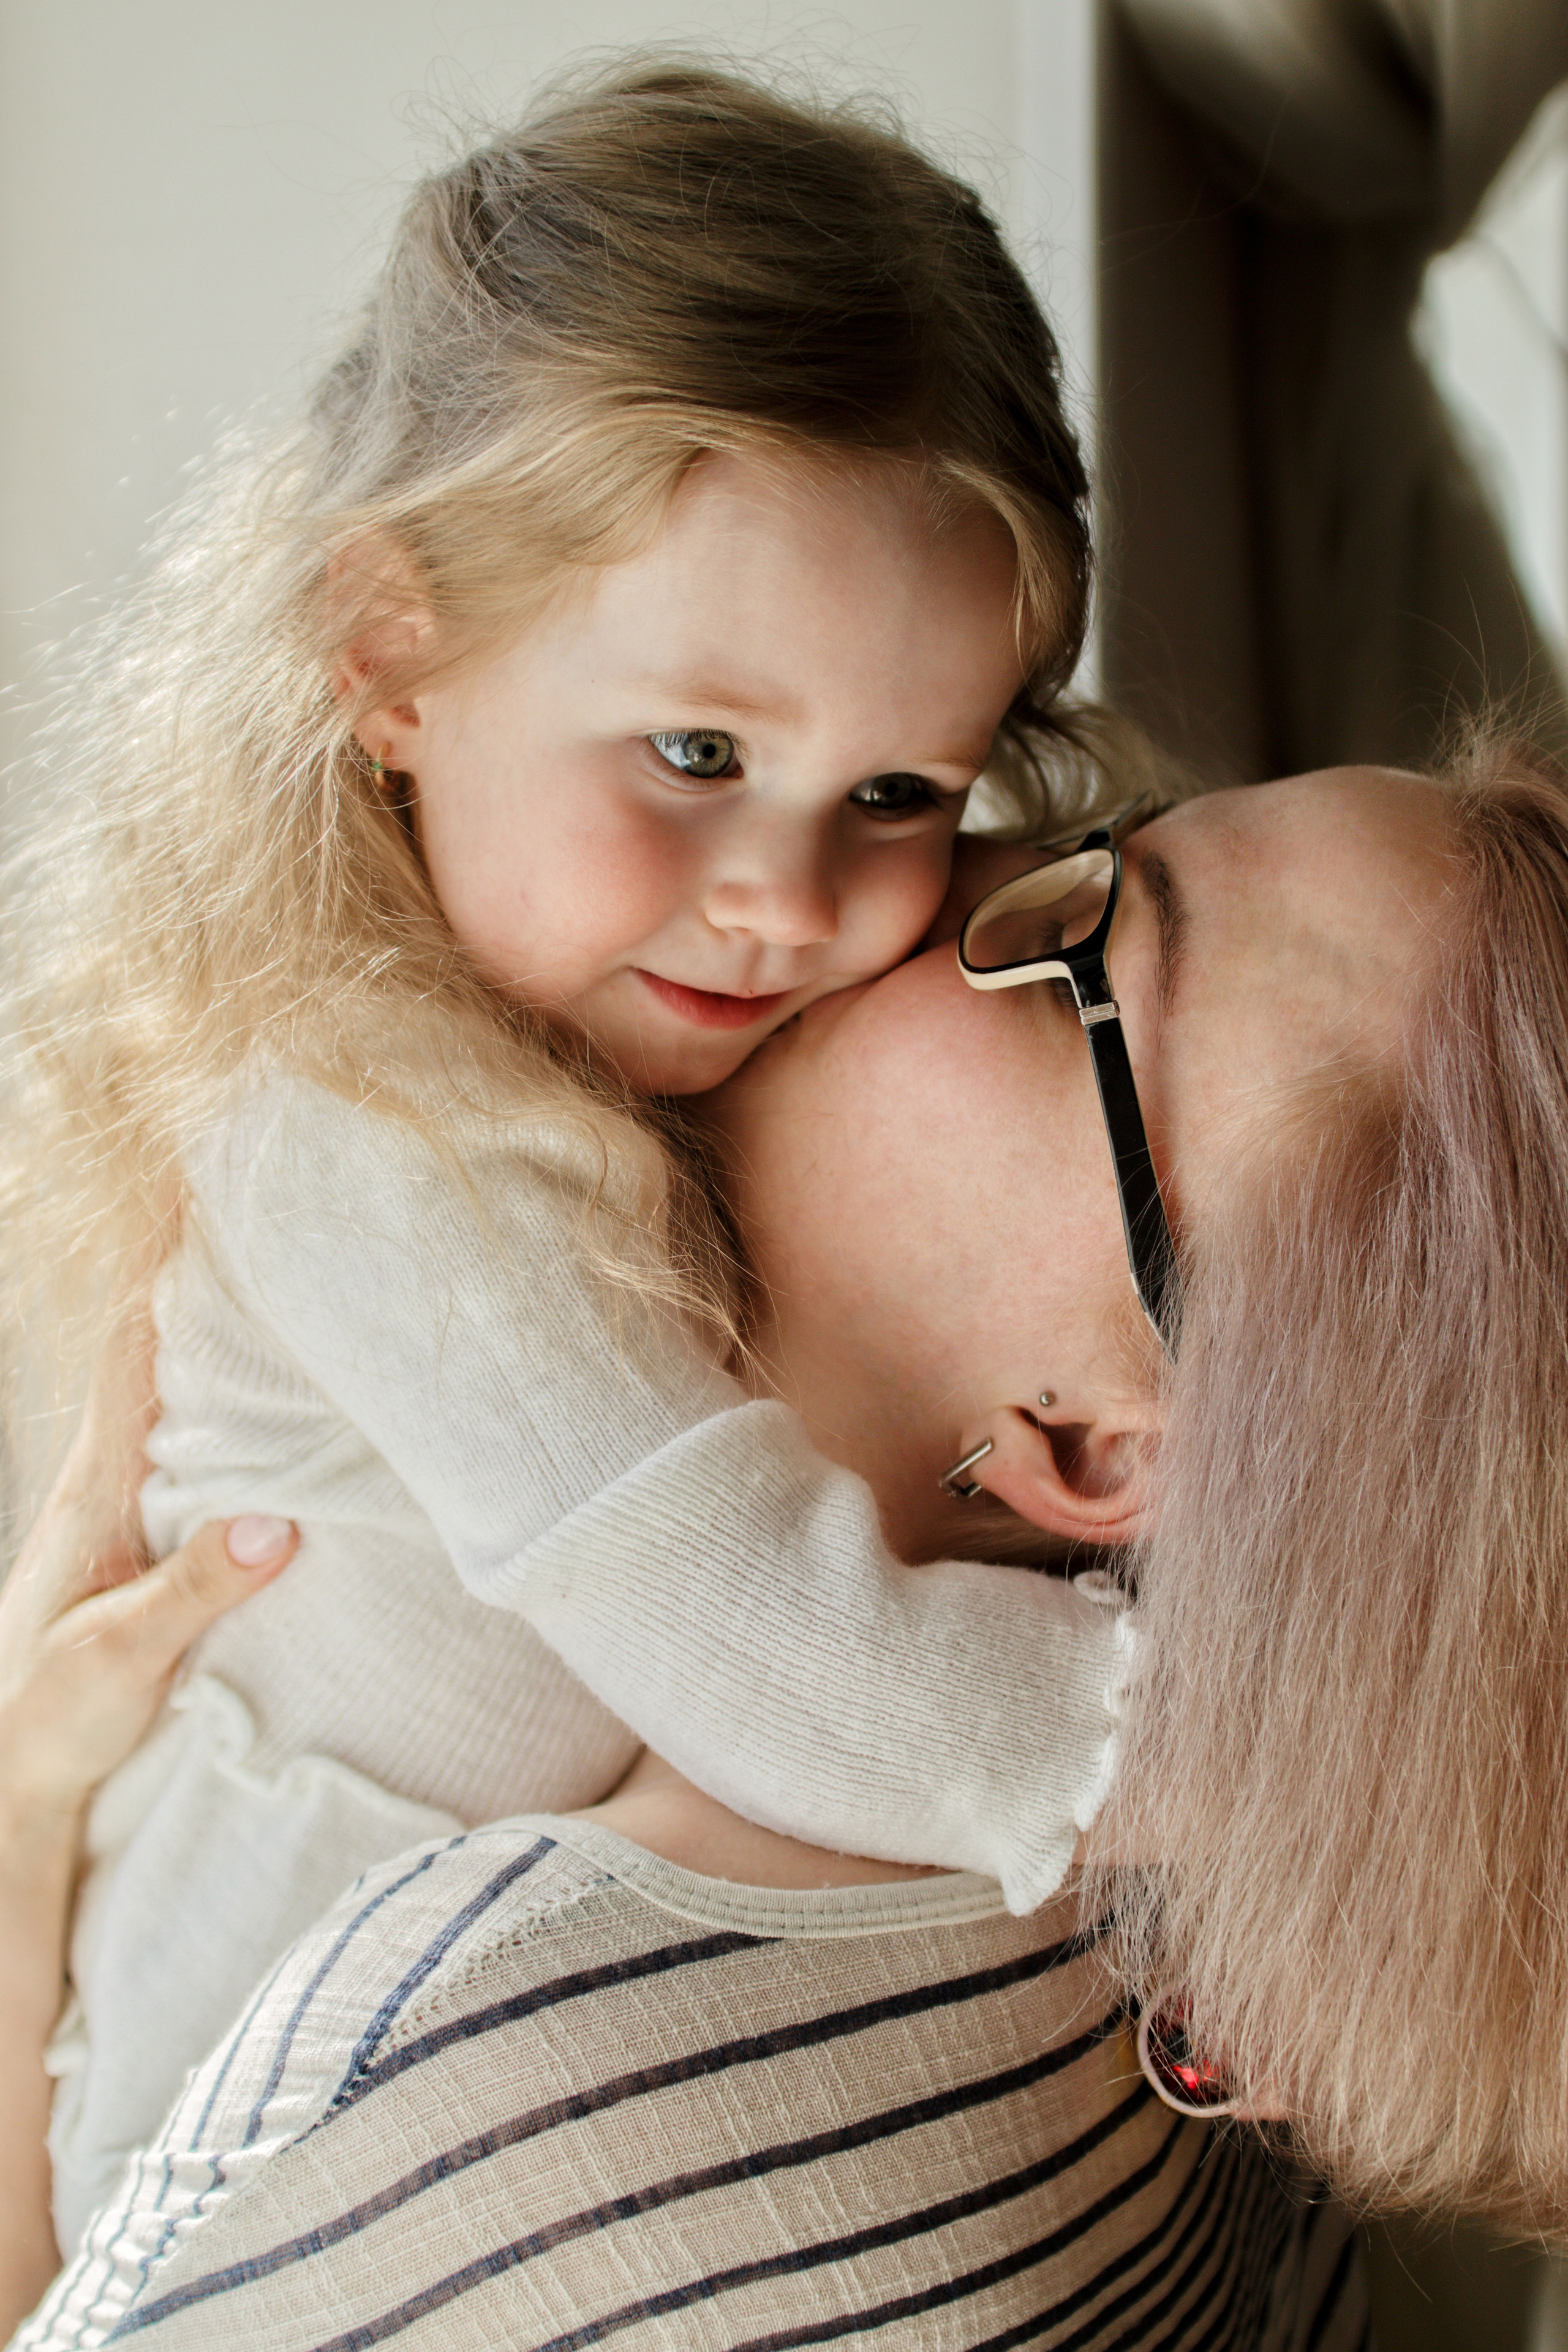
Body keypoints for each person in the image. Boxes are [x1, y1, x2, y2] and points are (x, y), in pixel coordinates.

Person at [1, 58, 1155, 2264]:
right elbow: (749, 1635)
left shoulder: (661, 994)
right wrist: (1278, 1752)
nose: (789, 899)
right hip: (221, 2049)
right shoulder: (360, 1116)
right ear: (393, 655)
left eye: (902, 794)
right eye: (701, 752)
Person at [5, 753, 1458, 2346]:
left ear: (1101, 1442)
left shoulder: (542, 2066)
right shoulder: (1150, 1928)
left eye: (1075, 969)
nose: (929, 883)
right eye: (1079, 836)